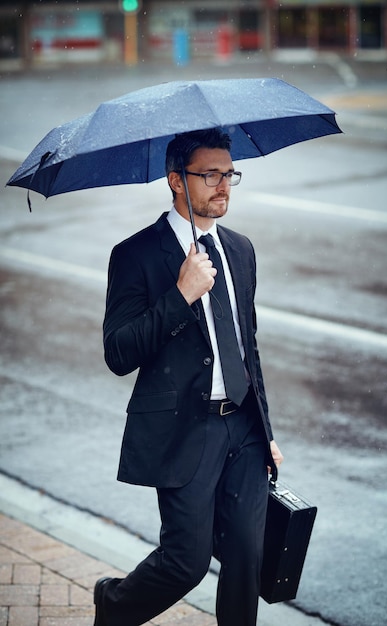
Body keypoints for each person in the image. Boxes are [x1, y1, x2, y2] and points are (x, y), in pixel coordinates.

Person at [95, 128, 283, 626]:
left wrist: (267, 432)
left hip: (242, 427)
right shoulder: (135, 254)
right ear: (176, 180)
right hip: (184, 428)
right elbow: (118, 353)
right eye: (210, 175)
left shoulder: (240, 250)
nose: (224, 186)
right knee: (187, 561)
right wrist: (181, 296)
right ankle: (113, 605)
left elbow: (248, 347)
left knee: (247, 556)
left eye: (229, 174)